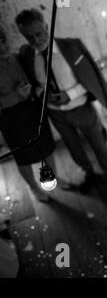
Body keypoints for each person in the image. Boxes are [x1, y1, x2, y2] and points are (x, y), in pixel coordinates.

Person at [15, 8, 107, 197]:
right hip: (56, 113)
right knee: (73, 147)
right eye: (29, 37)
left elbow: (89, 77)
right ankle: (90, 174)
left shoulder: (71, 46)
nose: (36, 40)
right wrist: (42, 92)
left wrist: (69, 94)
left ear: (46, 26)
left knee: (98, 145)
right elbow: (33, 83)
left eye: (39, 33)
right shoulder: (27, 55)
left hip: (81, 108)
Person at [0, 24, 55, 202]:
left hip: (32, 109)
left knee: (46, 148)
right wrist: (16, 94)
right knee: (23, 157)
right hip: (10, 118)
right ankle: (34, 188)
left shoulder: (17, 56)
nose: (2, 46)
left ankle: (54, 179)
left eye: (3, 41)